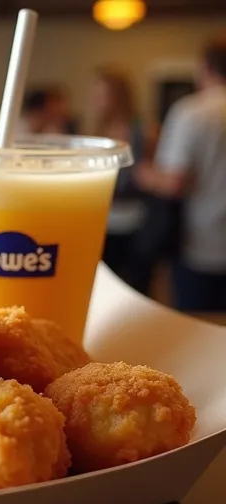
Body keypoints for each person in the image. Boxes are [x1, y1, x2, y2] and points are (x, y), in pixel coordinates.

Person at [136, 37, 226, 311]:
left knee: (198, 328)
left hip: (200, 245)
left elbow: (175, 182)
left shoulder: (192, 112)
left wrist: (143, 173)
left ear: (205, 67)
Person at [91, 67, 155, 293]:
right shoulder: (96, 132)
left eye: (102, 94)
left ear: (118, 96)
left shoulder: (143, 130)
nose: (96, 100)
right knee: (105, 284)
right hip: (104, 218)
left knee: (137, 282)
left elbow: (152, 171)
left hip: (135, 218)